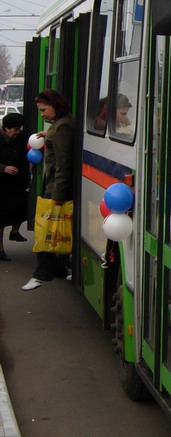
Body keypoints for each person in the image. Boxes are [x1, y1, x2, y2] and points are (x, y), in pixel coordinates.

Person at [22, 89, 75, 291]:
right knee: (55, 231)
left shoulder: (62, 128)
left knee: (44, 232)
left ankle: (41, 274)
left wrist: (57, 196)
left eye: (44, 110)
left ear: (55, 106)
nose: (42, 114)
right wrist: (48, 134)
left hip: (54, 189)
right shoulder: (63, 124)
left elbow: (63, 164)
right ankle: (59, 269)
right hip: (55, 187)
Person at [0, 112, 30, 256]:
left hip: (18, 183)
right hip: (1, 185)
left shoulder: (22, 138)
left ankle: (15, 231)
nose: (18, 132)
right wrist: (3, 168)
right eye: (15, 129)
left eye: (19, 128)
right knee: (1, 217)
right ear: (6, 128)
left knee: (25, 207)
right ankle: (0, 250)